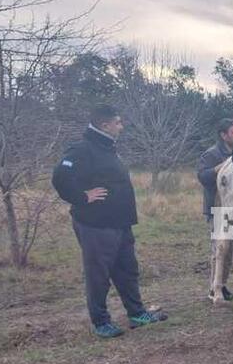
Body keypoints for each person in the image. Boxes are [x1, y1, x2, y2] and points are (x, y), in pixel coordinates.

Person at [51, 104, 167, 338]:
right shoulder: (83, 149)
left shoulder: (107, 147)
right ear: (105, 124)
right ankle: (101, 322)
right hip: (96, 224)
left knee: (127, 270)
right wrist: (82, 197)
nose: (121, 126)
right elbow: (60, 176)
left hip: (119, 223)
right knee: (98, 274)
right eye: (118, 122)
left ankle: (136, 314)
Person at [197, 118, 233, 301]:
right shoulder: (211, 154)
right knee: (221, 249)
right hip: (219, 207)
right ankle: (216, 287)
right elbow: (202, 177)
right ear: (223, 135)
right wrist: (220, 168)